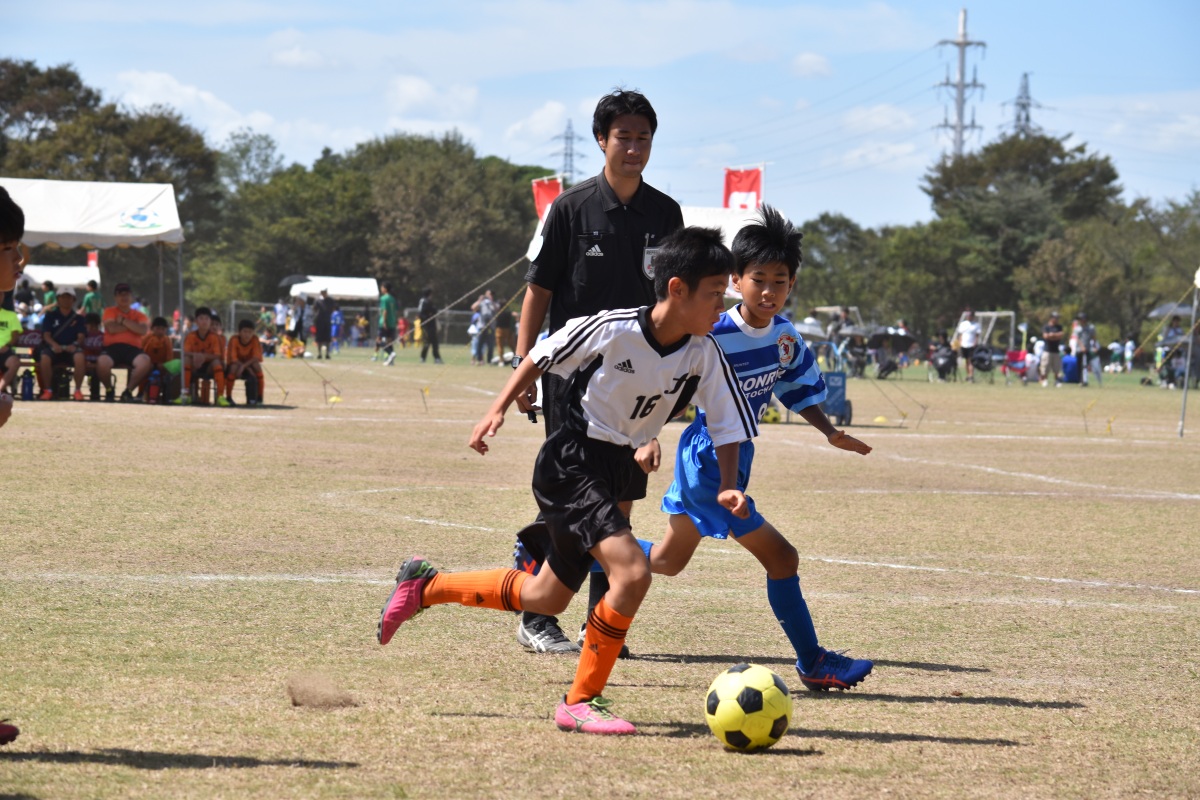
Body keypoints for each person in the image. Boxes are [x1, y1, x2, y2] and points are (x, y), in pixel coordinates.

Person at [377, 226, 758, 735]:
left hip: (617, 468)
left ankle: (426, 585)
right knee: (632, 573)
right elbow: (543, 353)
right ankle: (580, 701)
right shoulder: (615, 328)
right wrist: (496, 409)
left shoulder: (703, 352)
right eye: (714, 293)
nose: (722, 305)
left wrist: (729, 482)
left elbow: (728, 423)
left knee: (545, 597)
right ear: (676, 289)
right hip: (573, 461)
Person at [632, 207, 875, 692]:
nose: (768, 291)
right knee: (782, 558)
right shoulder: (712, 332)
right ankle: (814, 661)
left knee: (666, 560)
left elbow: (796, 387)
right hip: (708, 457)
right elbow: (661, 382)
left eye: (779, 282)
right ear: (735, 281)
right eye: (758, 280)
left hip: (736, 454)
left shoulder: (784, 336)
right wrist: (647, 433)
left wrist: (829, 432)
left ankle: (567, 546)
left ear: (792, 285)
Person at [510, 88, 684, 654]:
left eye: (643, 138)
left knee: (620, 502)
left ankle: (601, 623)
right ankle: (536, 616)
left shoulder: (667, 214)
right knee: (571, 497)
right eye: (623, 137)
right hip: (572, 378)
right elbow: (538, 291)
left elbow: (673, 300)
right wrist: (525, 363)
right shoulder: (570, 208)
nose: (633, 148)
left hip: (637, 381)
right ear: (601, 141)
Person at [96, 282, 153, 402]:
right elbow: (112, 329)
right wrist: (133, 326)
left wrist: (122, 321)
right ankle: (109, 390)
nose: (124, 297)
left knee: (145, 361)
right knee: (102, 362)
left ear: (131, 297)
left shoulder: (140, 314)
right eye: (120, 294)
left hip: (133, 349)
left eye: (126, 294)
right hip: (112, 348)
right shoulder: (109, 311)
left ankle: (128, 391)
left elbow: (143, 330)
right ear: (115, 297)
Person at [37, 285, 87, 401]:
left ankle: (77, 391)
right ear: (58, 299)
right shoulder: (50, 316)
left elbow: (81, 337)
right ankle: (48, 390)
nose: (65, 300)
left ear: (73, 300)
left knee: (80, 357)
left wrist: (74, 345)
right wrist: (54, 345)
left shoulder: (78, 318)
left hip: (71, 349)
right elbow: (46, 335)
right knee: (44, 357)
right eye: (62, 297)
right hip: (54, 348)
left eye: (68, 297)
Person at [177, 306, 229, 406]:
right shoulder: (191, 336)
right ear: (196, 321)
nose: (204, 321)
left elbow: (217, 355)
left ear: (210, 321)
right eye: (201, 318)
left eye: (207, 319)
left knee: (217, 363)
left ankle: (220, 396)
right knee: (186, 360)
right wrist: (195, 355)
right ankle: (185, 394)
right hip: (195, 365)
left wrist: (204, 357)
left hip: (209, 367)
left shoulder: (215, 337)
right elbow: (185, 352)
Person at [226, 319, 265, 406]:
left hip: (248, 366)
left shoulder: (255, 339)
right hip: (236, 366)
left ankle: (260, 397)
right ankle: (228, 397)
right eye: (245, 331)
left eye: (250, 332)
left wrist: (244, 367)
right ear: (239, 332)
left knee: (256, 365)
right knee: (234, 367)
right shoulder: (234, 339)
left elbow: (256, 358)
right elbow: (233, 359)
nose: (247, 335)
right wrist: (244, 367)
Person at [140, 316, 175, 399]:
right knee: (143, 376)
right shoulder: (146, 338)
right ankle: (141, 393)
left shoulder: (167, 340)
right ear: (152, 328)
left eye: (163, 329)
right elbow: (141, 351)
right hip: (148, 364)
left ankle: (166, 394)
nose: (160, 331)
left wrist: (165, 365)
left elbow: (169, 356)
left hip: (162, 365)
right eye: (158, 328)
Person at [0, 291, 20, 397]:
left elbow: (15, 335)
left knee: (14, 362)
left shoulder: (11, 315)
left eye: (1, 294)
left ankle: (0, 389)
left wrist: (7, 346)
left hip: (5, 350)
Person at [954, 308, 982, 382]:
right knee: (966, 361)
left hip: (971, 345)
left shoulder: (976, 325)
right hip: (963, 345)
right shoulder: (963, 324)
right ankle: (968, 375)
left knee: (970, 361)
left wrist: (975, 343)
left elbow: (977, 336)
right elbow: (960, 335)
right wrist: (959, 343)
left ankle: (971, 376)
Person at [472, 289, 498, 365]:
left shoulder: (494, 303)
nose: (490, 295)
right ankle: (480, 360)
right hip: (482, 327)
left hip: (491, 327)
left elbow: (497, 309)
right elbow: (473, 307)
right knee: (479, 344)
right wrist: (480, 300)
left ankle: (490, 360)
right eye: (489, 294)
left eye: (492, 294)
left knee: (490, 345)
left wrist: (491, 301)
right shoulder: (482, 303)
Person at [417, 287, 442, 364]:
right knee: (427, 342)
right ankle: (424, 358)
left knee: (433, 342)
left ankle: (436, 358)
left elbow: (434, 311)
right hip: (426, 325)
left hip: (431, 325)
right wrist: (428, 317)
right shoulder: (424, 301)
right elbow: (421, 313)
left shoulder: (429, 301)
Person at [375, 282, 399, 365]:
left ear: (385, 289)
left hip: (384, 322)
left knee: (378, 340)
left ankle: (391, 353)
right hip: (392, 322)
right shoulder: (393, 299)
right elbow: (395, 311)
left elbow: (385, 311)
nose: (381, 289)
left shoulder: (384, 298)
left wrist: (384, 322)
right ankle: (391, 361)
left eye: (382, 287)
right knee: (389, 342)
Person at [1076, 312, 1101, 387]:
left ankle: (1085, 380)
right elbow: (1077, 339)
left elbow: (1093, 337)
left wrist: (1094, 346)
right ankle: (1081, 380)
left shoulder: (1091, 327)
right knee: (1080, 366)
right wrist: (1082, 347)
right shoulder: (1077, 328)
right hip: (1080, 350)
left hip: (1088, 349)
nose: (1082, 320)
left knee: (1086, 365)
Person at [1040, 311, 1064, 387]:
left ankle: (1057, 381)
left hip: (1056, 350)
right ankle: (1044, 380)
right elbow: (1045, 336)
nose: (1057, 319)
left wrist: (1052, 335)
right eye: (1055, 318)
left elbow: (1060, 335)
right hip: (1047, 350)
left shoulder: (1059, 327)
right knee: (1045, 367)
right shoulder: (1046, 327)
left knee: (1056, 368)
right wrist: (1054, 336)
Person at [313, 288, 335, 359]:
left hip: (327, 321)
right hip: (319, 321)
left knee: (327, 339)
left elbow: (332, 309)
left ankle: (327, 353)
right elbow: (314, 309)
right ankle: (319, 353)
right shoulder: (318, 300)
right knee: (319, 339)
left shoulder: (330, 300)